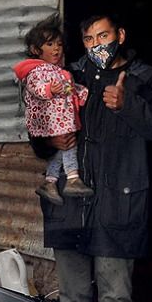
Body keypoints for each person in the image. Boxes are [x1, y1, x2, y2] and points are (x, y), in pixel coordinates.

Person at [36, 13, 152, 302]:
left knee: (116, 294)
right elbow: (36, 127)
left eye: (104, 35)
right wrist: (51, 141)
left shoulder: (147, 79)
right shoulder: (64, 77)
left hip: (120, 201)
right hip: (70, 202)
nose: (96, 43)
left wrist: (127, 103)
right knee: (73, 295)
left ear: (121, 35)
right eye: (88, 38)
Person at [13, 15, 92, 205]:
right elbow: (35, 87)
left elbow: (69, 88)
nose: (56, 48)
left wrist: (83, 93)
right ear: (35, 49)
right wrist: (48, 90)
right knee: (69, 146)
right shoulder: (36, 71)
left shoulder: (59, 71)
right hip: (50, 122)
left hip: (60, 120)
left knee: (61, 150)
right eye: (49, 44)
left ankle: (50, 182)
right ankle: (73, 179)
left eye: (59, 44)